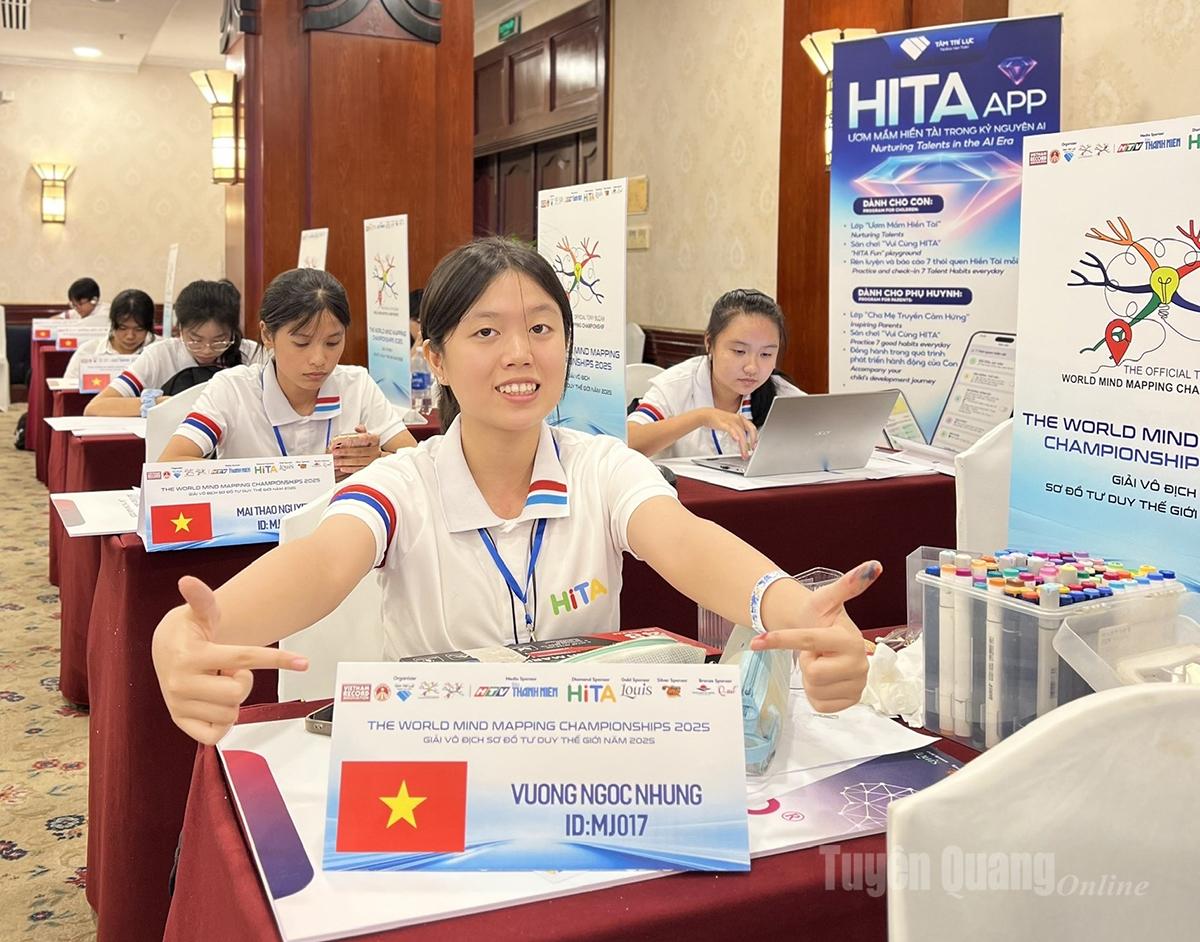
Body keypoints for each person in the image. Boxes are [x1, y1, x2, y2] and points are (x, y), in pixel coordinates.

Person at [151, 238, 876, 746]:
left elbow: (686, 543)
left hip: (585, 765)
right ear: (434, 356)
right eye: (486, 332)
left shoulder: (601, 466)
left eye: (540, 328)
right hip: (445, 765)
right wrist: (184, 635)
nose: (520, 353)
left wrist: (800, 613)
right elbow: (321, 564)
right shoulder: (403, 483)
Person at [157, 268, 416, 477]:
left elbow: (416, 463)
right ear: (267, 335)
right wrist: (287, 476)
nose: (319, 360)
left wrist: (378, 460)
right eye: (302, 343)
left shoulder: (356, 385)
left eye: (333, 342)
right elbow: (170, 464)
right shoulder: (232, 389)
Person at [626, 289, 804, 460]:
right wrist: (702, 417)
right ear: (709, 342)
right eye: (739, 351)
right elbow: (628, 441)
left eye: (766, 354)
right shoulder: (676, 385)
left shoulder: (782, 395)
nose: (752, 368)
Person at [84, 279, 256, 417]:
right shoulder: (160, 355)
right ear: (179, 329)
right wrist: (159, 404)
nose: (207, 350)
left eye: (220, 340)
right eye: (195, 340)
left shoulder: (251, 353)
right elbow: (96, 406)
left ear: (234, 331)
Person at [62, 288, 157, 384]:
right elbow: (68, 392)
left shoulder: (160, 351)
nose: (130, 336)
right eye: (123, 328)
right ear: (112, 323)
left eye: (139, 329)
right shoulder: (88, 351)